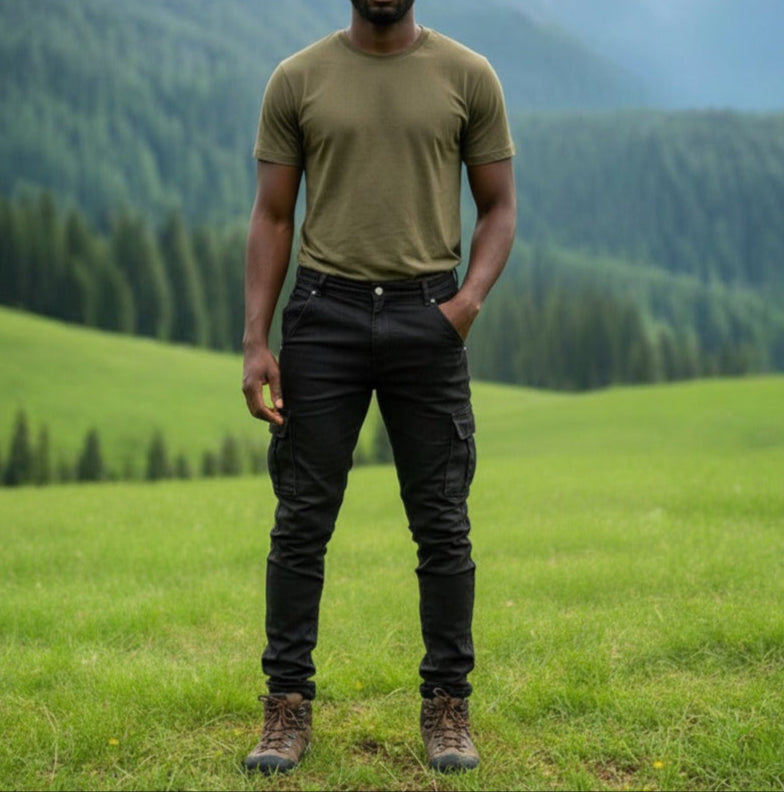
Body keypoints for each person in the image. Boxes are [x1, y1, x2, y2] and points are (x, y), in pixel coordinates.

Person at [241, 0, 516, 775]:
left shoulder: (469, 76)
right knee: (300, 520)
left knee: (443, 524)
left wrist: (463, 308)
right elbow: (270, 215)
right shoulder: (297, 79)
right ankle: (286, 706)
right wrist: (257, 340)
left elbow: (499, 209)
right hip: (322, 316)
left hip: (427, 314)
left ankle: (447, 708)